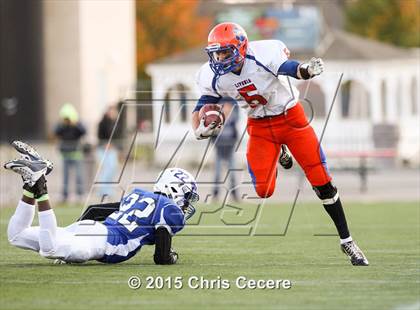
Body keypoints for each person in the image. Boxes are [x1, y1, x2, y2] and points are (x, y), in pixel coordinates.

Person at [191, 22, 368, 266]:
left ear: (241, 48)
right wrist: (198, 129)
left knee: (321, 179)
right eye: (216, 53)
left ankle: (347, 241)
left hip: (291, 120)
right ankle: (279, 152)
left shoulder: (263, 53)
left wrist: (306, 69)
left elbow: (290, 68)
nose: (219, 58)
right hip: (259, 127)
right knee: (264, 190)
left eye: (225, 52)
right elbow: (204, 103)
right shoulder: (213, 75)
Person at [4, 141, 198, 264]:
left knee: (17, 235)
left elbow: (94, 209)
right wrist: (172, 256)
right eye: (187, 195)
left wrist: (73, 234)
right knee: (50, 248)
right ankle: (40, 185)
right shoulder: (170, 209)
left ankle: (30, 186)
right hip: (103, 241)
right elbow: (161, 258)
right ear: (176, 189)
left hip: (89, 228)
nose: (186, 202)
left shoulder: (139, 194)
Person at [54, 103, 86, 202]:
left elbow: (84, 131)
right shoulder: (61, 125)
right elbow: (56, 131)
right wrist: (63, 124)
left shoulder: (77, 125)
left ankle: (80, 194)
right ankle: (65, 195)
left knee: (79, 176)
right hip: (65, 154)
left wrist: (75, 124)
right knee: (65, 177)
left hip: (76, 154)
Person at [211, 98, 239, 201]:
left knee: (232, 172)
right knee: (217, 172)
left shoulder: (233, 117)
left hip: (230, 146)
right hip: (219, 146)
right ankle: (215, 194)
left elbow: (235, 127)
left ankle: (234, 194)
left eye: (228, 107)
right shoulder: (216, 118)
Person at [96, 106, 119, 200]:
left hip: (112, 149)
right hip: (103, 149)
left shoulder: (115, 123)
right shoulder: (102, 123)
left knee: (113, 168)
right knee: (106, 170)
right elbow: (100, 135)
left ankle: (108, 189)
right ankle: (103, 190)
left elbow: (116, 135)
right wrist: (106, 144)